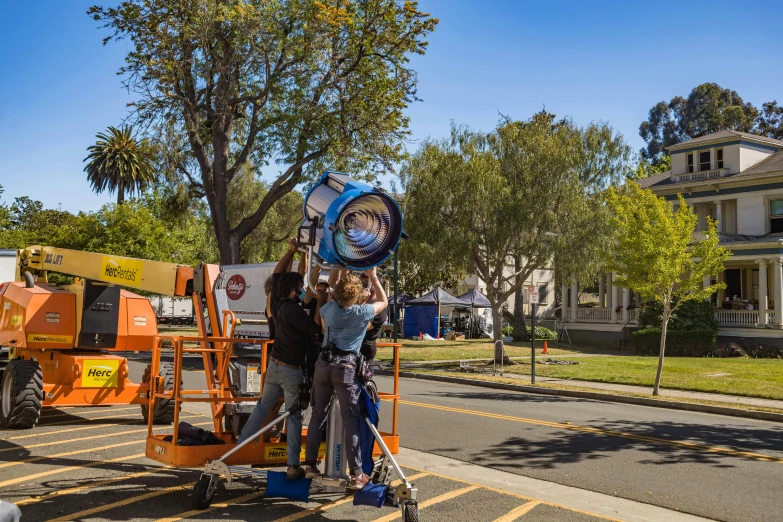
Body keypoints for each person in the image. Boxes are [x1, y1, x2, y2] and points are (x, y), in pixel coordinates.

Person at [237, 240, 323, 481]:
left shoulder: (276, 303)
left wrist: (293, 251)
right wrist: (322, 302)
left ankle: (239, 446)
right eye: (300, 288)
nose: (302, 291)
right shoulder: (294, 311)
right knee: (293, 415)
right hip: (291, 370)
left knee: (263, 406)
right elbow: (315, 328)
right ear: (293, 290)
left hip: (274, 365)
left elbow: (277, 274)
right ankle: (293, 465)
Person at [303, 268, 388, 489]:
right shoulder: (362, 313)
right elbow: (384, 302)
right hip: (346, 367)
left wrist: (337, 273)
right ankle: (357, 474)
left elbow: (329, 296)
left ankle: (310, 465)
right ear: (356, 295)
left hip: (323, 364)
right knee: (350, 420)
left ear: (337, 293)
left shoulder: (328, 309)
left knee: (317, 415)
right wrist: (374, 277)